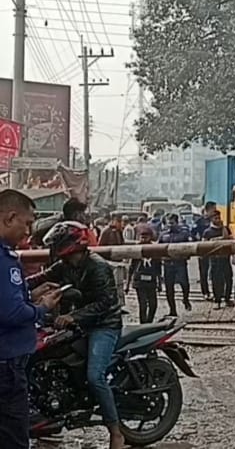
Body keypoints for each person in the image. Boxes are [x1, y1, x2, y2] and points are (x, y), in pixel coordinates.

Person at [40, 221, 124, 449]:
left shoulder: (98, 266)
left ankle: (116, 432)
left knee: (95, 376)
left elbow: (105, 303)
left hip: (104, 325)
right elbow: (40, 278)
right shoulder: (65, 265)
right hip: (80, 324)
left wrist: (74, 316)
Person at [0, 190, 62, 448]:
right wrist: (42, 308)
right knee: (13, 437)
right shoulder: (5, 260)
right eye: (27, 223)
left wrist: (28, 294)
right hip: (7, 364)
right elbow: (11, 313)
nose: (29, 231)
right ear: (10, 218)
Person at [158, 213, 192, 317]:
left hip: (180, 263)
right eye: (169, 223)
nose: (170, 225)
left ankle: (185, 299)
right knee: (169, 288)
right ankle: (172, 310)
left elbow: (190, 246)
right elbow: (158, 248)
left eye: (172, 223)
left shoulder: (184, 233)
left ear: (177, 223)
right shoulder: (163, 234)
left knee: (185, 284)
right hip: (168, 264)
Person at [125, 228, 161, 323]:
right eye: (142, 237)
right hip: (139, 279)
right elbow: (131, 267)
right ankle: (143, 323)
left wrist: (160, 282)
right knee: (143, 304)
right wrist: (128, 284)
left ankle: (149, 321)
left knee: (153, 304)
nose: (144, 239)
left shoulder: (155, 249)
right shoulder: (136, 248)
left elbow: (158, 266)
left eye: (146, 237)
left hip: (151, 278)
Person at [202, 211, 232, 309]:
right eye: (215, 218)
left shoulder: (225, 228)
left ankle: (227, 298)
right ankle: (217, 299)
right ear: (211, 219)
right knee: (216, 280)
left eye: (219, 218)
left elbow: (229, 239)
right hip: (215, 259)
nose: (218, 220)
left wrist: (223, 228)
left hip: (225, 258)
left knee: (228, 279)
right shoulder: (208, 231)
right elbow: (204, 245)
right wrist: (219, 240)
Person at [194, 201, 217, 300]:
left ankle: (217, 292)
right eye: (213, 209)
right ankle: (205, 292)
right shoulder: (200, 221)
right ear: (208, 209)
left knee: (215, 272)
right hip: (203, 249)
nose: (214, 211)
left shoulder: (216, 220)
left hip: (215, 249)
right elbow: (193, 233)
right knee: (203, 272)